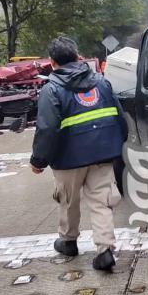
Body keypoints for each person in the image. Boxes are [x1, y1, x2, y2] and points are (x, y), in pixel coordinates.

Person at [30, 37, 128, 271]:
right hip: (103, 154)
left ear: (52, 63)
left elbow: (47, 128)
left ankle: (68, 241)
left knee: (68, 200)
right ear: (78, 57)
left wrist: (38, 160)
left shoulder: (51, 89)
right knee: (102, 202)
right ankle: (105, 250)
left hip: (68, 159)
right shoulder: (102, 83)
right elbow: (119, 117)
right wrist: (117, 143)